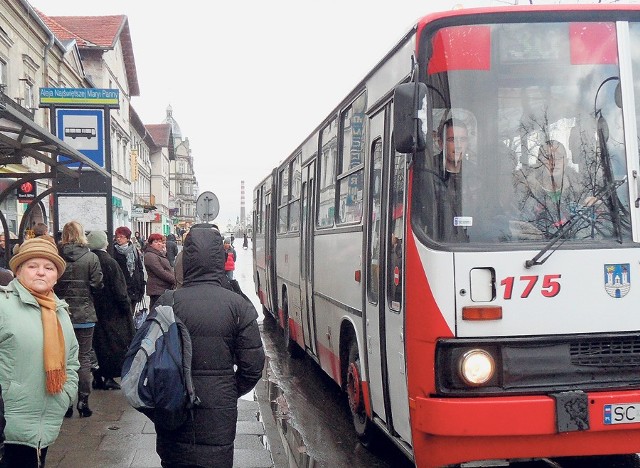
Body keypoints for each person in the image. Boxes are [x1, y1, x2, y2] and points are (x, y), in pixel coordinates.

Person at [154, 226, 265, 468]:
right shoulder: (239, 306)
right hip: (219, 412)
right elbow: (253, 366)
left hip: (174, 407)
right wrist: (229, 389)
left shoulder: (168, 301)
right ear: (221, 258)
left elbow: (150, 357)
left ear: (187, 259)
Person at [0, 237, 79, 467]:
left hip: (45, 425)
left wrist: (66, 395)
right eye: (32, 266)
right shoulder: (4, 306)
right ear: (18, 271)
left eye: (49, 267)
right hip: (9, 427)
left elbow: (72, 360)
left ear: (57, 275)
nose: (41, 273)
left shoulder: (59, 310)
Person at [54, 221, 103, 418]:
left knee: (64, 358)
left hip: (62, 314)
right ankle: (83, 401)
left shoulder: (57, 257)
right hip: (85, 314)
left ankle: (66, 402)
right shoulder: (91, 257)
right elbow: (98, 284)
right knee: (83, 357)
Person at [86, 231, 134, 391]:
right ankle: (109, 377)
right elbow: (119, 289)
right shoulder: (109, 262)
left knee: (96, 344)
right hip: (112, 311)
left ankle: (97, 376)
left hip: (93, 309)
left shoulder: (88, 260)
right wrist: (126, 306)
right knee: (112, 345)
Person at [113, 226, 146, 314]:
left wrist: (141, 285)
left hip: (134, 288)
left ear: (127, 238)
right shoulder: (113, 251)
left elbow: (139, 268)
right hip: (122, 289)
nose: (119, 239)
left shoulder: (134, 250)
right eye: (117, 237)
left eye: (122, 237)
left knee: (132, 314)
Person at [143, 233, 175, 312]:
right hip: (157, 289)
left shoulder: (158, 254)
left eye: (160, 242)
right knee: (156, 312)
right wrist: (175, 280)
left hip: (163, 288)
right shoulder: (150, 255)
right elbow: (160, 272)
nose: (159, 244)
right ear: (150, 244)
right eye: (156, 242)